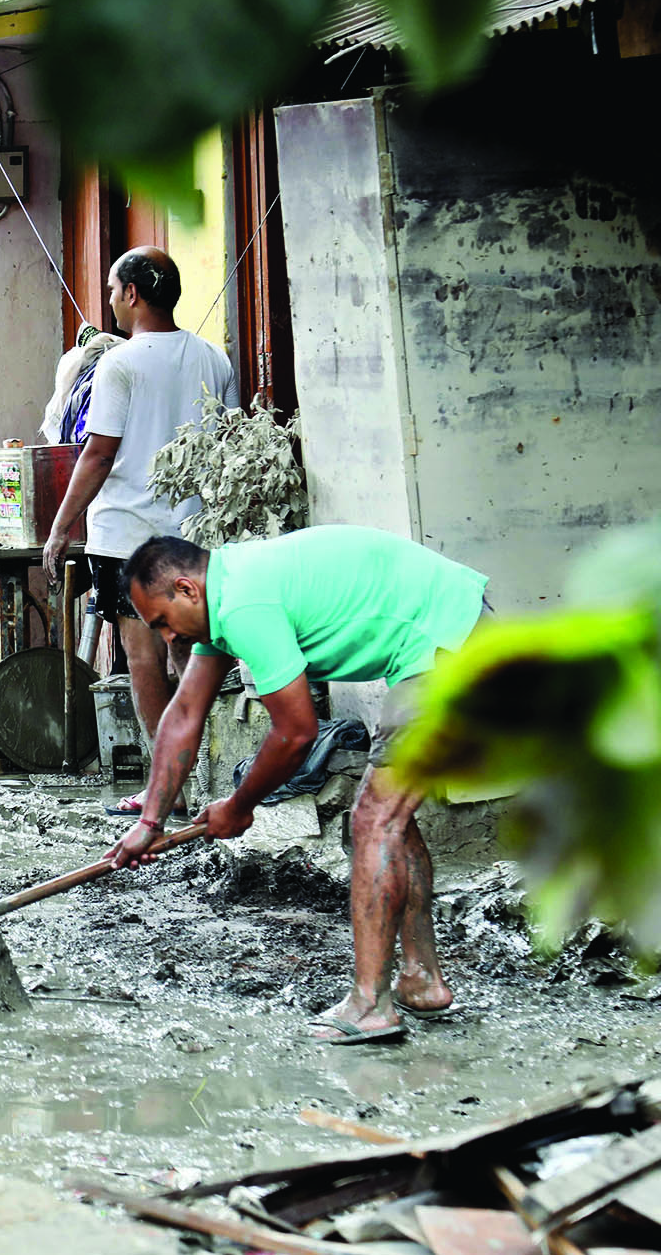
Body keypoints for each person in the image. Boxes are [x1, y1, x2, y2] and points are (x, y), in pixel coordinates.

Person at [102, 528, 492, 1045]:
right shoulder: (223, 600)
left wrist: (240, 806)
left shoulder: (244, 604)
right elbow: (184, 715)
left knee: (373, 821)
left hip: (450, 643)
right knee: (388, 821)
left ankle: (371, 1005)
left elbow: (296, 733)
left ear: (186, 589)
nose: (167, 639)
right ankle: (422, 981)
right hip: (443, 634)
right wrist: (150, 822)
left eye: (163, 623)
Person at [43, 247, 238, 791]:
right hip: (193, 533)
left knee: (142, 652)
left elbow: (98, 453)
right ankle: (199, 777)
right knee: (187, 646)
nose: (109, 300)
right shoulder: (214, 359)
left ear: (132, 294)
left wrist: (61, 528)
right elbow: (227, 445)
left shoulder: (119, 363)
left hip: (127, 535)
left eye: (111, 289)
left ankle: (167, 783)